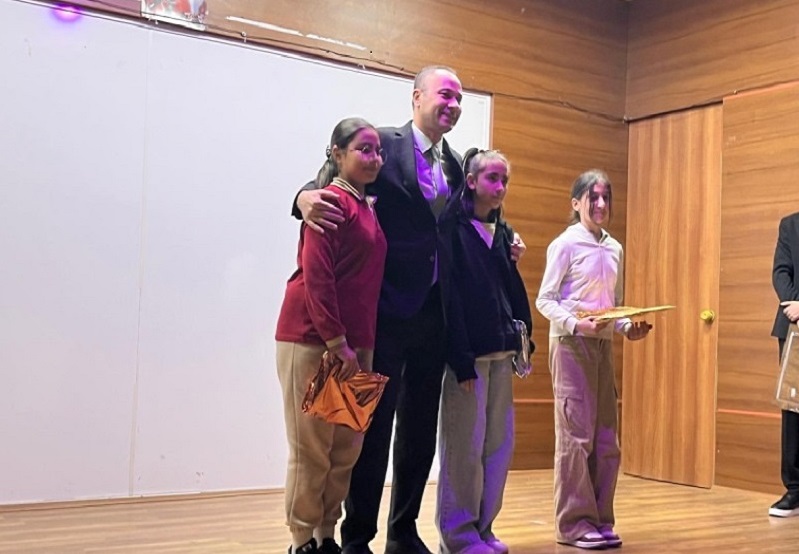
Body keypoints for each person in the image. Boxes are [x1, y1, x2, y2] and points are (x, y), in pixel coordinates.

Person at [294, 66, 524, 554]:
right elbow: (331, 178)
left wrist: (507, 236)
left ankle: (403, 532)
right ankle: (356, 536)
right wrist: (302, 197)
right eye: (445, 94)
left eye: (459, 98)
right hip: (381, 314)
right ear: (417, 97)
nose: (453, 105)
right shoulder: (382, 144)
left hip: (435, 316)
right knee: (367, 428)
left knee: (419, 431)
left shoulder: (457, 165)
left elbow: (470, 221)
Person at [276, 117, 387, 554]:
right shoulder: (327, 202)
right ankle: (302, 538)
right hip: (314, 340)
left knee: (344, 451)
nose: (375, 158)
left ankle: (326, 534)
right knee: (312, 449)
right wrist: (337, 344)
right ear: (337, 154)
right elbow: (318, 279)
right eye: (364, 149)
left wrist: (355, 347)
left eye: (378, 150)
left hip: (357, 346)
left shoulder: (366, 205)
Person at [535, 169, 651, 550]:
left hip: (601, 347)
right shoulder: (565, 245)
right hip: (571, 345)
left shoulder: (614, 248)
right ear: (576, 203)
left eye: (606, 197)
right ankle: (573, 524)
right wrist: (575, 324)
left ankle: (600, 519)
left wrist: (626, 327)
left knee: (605, 438)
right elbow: (545, 299)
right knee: (576, 436)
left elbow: (611, 306)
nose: (601, 204)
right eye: (593, 197)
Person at [436, 149, 532, 554]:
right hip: (469, 359)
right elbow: (451, 299)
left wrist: (524, 339)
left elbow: (509, 292)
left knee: (497, 447)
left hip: (501, 355)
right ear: (472, 181)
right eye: (492, 178)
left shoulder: (505, 235)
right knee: (464, 449)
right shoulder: (454, 231)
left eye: (505, 180)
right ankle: (458, 536)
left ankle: (484, 528)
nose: (500, 187)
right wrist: (460, 360)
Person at [769, 212, 799, 518]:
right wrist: (796, 306)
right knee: (793, 408)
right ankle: (795, 489)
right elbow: (780, 272)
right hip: (793, 327)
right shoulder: (790, 225)